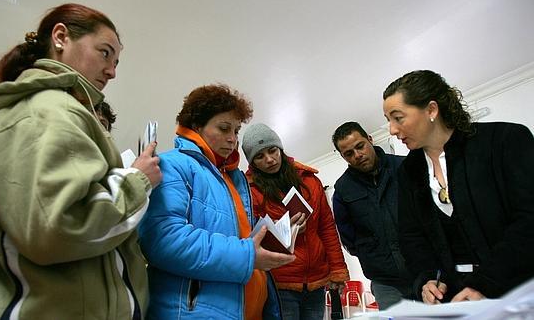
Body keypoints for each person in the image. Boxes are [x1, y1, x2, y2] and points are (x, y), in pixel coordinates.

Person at [0, 3, 162, 319]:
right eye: (105, 53)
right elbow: (56, 227)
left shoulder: (61, 110)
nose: (112, 71)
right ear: (60, 37)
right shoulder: (44, 110)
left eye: (117, 60)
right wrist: (138, 180)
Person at [138, 84, 295, 320]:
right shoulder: (172, 164)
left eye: (236, 130)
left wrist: (270, 237)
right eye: (223, 128)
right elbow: (163, 240)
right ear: (197, 125)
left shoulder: (232, 178)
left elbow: (238, 238)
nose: (232, 139)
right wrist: (248, 255)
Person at [382, 70, 534, 304]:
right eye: (388, 120)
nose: (392, 129)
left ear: (431, 110)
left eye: (398, 117)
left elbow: (528, 220)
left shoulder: (505, 140)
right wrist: (429, 279)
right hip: (457, 300)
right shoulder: (408, 172)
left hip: (519, 290)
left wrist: (484, 283)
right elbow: (412, 238)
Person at [242, 123, 350, 320]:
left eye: (272, 150)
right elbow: (251, 238)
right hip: (280, 282)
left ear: (280, 149)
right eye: (259, 156)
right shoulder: (249, 191)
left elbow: (326, 227)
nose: (269, 159)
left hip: (317, 280)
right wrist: (285, 229)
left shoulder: (309, 180)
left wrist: (337, 270)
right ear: (252, 162)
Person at [330, 121, 413, 310]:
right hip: (385, 281)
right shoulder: (343, 189)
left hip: (424, 270)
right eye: (349, 154)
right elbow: (348, 237)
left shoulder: (404, 167)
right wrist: (372, 254)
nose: (357, 155)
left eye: (360, 146)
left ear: (370, 139)